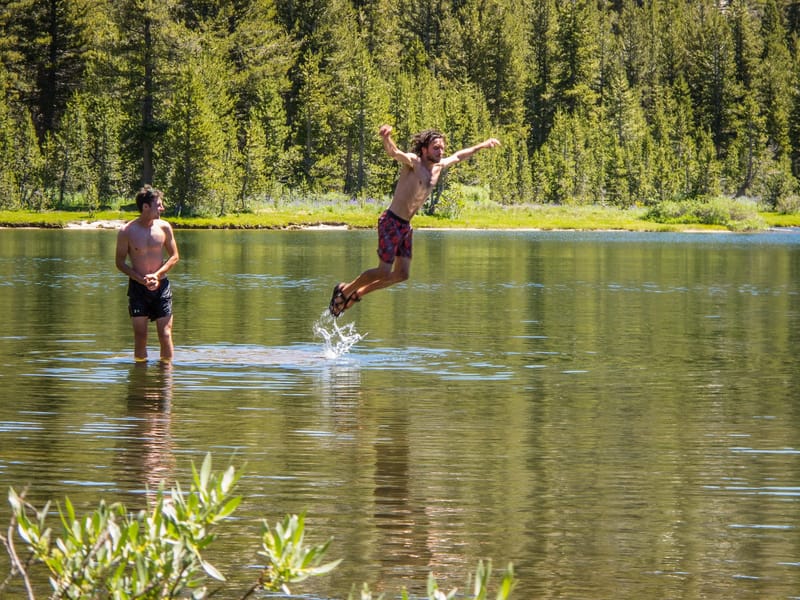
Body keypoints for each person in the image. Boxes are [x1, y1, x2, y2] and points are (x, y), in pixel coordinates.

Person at [329, 124, 501, 317]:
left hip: (405, 227)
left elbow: (460, 155)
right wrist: (386, 138)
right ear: (424, 149)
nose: (440, 151)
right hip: (391, 222)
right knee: (384, 272)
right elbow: (394, 152)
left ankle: (357, 294)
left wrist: (483, 145)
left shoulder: (439, 166)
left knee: (402, 274)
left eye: (442, 147)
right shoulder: (413, 162)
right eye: (436, 147)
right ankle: (344, 291)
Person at [115, 186, 180, 362]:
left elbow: (174, 257)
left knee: (165, 334)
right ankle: (140, 380)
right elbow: (120, 262)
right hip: (138, 288)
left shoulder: (164, 227)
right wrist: (142, 280)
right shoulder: (127, 231)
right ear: (145, 207)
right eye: (158, 205)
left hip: (162, 287)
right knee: (140, 336)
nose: (162, 208)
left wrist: (157, 276)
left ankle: (166, 379)